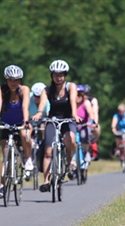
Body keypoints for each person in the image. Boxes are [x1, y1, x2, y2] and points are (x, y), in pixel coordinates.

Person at [33, 59, 81, 192]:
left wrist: (75, 115)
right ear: (51, 76)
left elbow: (72, 100)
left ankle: (71, 160)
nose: (58, 78)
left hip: (68, 119)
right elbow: (42, 102)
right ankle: (47, 182)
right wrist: (39, 113)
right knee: (48, 151)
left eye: (61, 75)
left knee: (70, 137)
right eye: (55, 75)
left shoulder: (70, 87)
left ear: (65, 75)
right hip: (53, 120)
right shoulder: (47, 90)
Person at [0, 65, 33, 198]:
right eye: (10, 80)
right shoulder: (1, 90)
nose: (13, 83)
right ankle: (2, 186)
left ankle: (27, 159)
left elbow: (25, 106)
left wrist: (26, 122)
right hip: (6, 124)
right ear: (6, 80)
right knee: (5, 158)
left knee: (24, 134)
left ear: (20, 80)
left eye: (16, 80)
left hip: (21, 122)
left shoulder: (24, 90)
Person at [69, 84, 96, 179]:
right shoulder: (71, 103)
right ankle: (73, 163)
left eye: (80, 95)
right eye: (76, 94)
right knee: (71, 142)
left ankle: (86, 152)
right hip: (73, 125)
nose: (78, 97)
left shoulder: (86, 103)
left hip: (84, 125)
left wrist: (91, 121)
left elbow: (91, 114)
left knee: (85, 137)